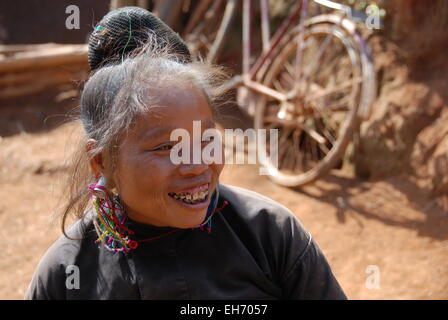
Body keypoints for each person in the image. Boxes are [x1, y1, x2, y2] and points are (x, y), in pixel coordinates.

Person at [24, 7, 347, 300]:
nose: (196, 165)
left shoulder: (268, 234)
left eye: (206, 138)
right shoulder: (65, 274)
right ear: (101, 162)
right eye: (166, 147)